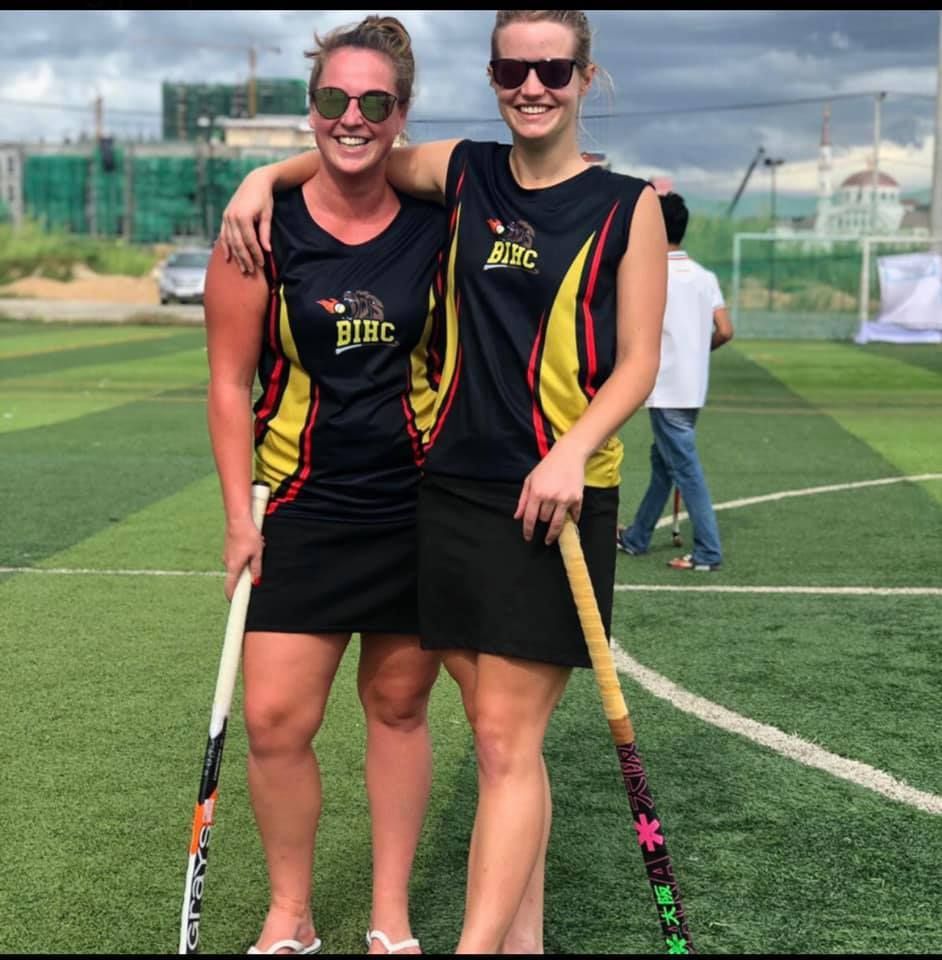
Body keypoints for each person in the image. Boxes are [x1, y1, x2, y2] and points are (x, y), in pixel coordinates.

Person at [219, 10, 667, 954]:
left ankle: (452, 941)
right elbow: (355, 152)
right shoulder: (464, 173)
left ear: (587, 76)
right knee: (507, 748)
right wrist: (263, 174)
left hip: (551, 496)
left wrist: (569, 453)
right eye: (513, 67)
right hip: (454, 494)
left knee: (503, 741)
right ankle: (518, 942)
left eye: (553, 69)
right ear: (494, 74)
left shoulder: (629, 205)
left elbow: (638, 365)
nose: (532, 86)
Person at [204, 15, 447, 956]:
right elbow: (229, 383)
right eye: (333, 99)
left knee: (396, 708)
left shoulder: (438, 220)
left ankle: (390, 916)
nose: (352, 117)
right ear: (309, 108)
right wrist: (237, 518)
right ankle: (290, 914)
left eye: (374, 102)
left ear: (401, 113)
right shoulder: (259, 229)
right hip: (298, 506)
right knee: (273, 719)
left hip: (413, 506)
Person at [616, 191, 733, 571]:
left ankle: (708, 552)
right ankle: (637, 536)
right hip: (692, 385)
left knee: (685, 470)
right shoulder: (704, 276)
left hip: (664, 386)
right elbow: (725, 330)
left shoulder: (647, 274)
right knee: (664, 465)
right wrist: (699, 349)